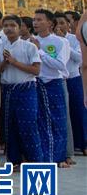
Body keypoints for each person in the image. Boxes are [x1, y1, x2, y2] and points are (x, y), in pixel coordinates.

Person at [0, 15, 44, 165]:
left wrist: (14, 62)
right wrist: (5, 63)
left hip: (26, 89)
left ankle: (35, 160)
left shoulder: (29, 46)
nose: (8, 28)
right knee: (9, 126)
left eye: (12, 25)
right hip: (7, 89)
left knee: (28, 125)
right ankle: (15, 160)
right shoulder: (0, 46)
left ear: (20, 28)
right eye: (6, 26)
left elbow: (36, 70)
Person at [32, 9, 70, 167]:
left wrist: (39, 51)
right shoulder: (30, 41)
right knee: (39, 121)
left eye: (40, 20)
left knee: (58, 120)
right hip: (36, 83)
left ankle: (59, 156)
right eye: (34, 20)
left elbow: (60, 65)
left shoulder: (60, 42)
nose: (35, 22)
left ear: (50, 23)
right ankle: (44, 156)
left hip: (53, 83)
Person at [60, 12, 86, 156]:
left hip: (74, 78)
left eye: (64, 22)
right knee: (64, 115)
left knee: (78, 112)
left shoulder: (74, 39)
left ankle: (83, 143)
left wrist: (65, 45)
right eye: (58, 24)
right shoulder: (48, 40)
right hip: (59, 80)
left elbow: (80, 59)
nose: (60, 26)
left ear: (69, 24)